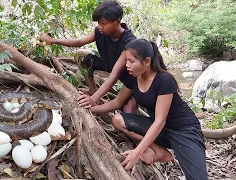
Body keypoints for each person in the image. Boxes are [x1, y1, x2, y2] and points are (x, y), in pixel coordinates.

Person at [89, 39, 208, 180]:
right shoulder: (133, 78)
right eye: (126, 60)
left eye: (131, 61)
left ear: (146, 62)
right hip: (160, 130)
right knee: (118, 119)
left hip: (184, 130)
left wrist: (136, 153)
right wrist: (91, 108)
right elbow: (117, 102)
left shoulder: (164, 80)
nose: (127, 65)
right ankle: (160, 152)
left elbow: (160, 121)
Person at [41, 0, 137, 112]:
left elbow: (115, 75)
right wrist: (53, 41)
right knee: (81, 56)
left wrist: (93, 99)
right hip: (110, 64)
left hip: (129, 77)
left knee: (128, 112)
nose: (100, 26)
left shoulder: (129, 43)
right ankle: (92, 89)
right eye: (98, 23)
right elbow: (79, 42)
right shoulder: (100, 32)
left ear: (117, 21)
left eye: (103, 23)